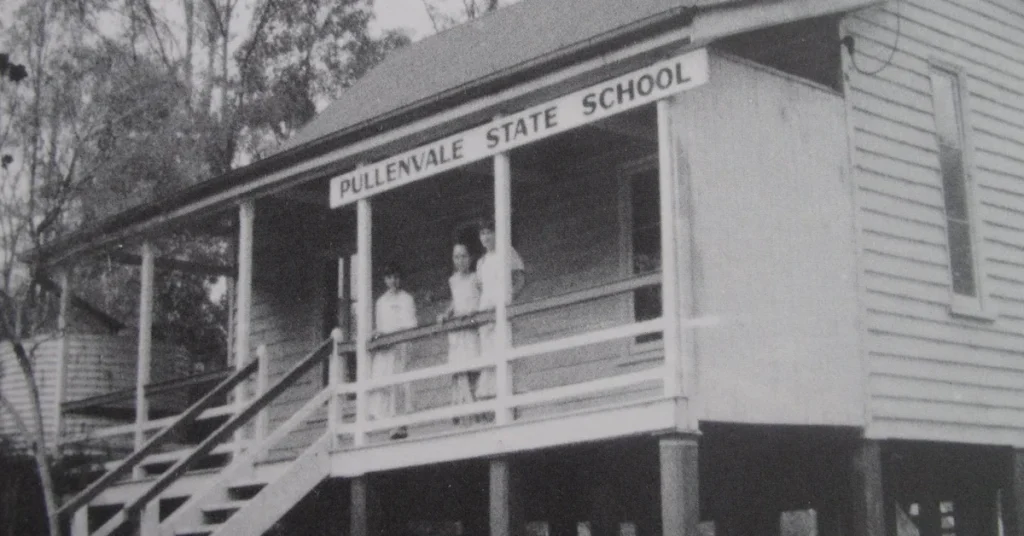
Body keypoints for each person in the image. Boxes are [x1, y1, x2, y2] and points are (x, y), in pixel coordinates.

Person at [475, 219, 526, 403]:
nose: (486, 237)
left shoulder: (506, 252)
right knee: (488, 357)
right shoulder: (481, 262)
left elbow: (520, 279)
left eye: (489, 232)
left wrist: (508, 298)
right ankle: (491, 402)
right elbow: (481, 289)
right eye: (482, 233)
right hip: (485, 313)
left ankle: (508, 400)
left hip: (502, 310)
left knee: (504, 351)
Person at [369, 262, 417, 440]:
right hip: (386, 349)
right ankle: (390, 426)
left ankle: (401, 425)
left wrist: (393, 336)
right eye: (389, 277)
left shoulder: (406, 299)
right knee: (385, 385)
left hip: (400, 347)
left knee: (400, 385)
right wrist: (378, 335)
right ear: (385, 279)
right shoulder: (381, 302)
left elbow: (410, 325)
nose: (393, 281)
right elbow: (381, 325)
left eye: (396, 277)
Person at [438, 243, 481, 420]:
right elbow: (456, 301)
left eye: (463, 256)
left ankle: (478, 409)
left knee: (474, 366)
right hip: (457, 328)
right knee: (459, 369)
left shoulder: (475, 278)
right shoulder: (453, 280)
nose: (460, 260)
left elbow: (479, 299)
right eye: (456, 257)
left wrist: (474, 311)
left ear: (470, 258)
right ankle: (464, 411)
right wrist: (446, 313)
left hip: (471, 326)